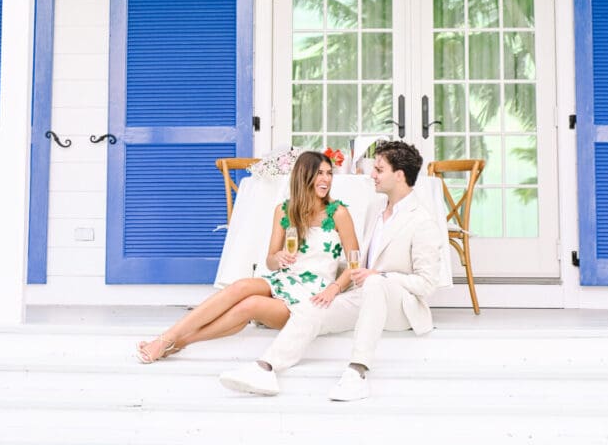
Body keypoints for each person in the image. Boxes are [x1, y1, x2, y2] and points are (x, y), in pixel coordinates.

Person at [219, 140, 443, 401]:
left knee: (373, 284)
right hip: (363, 295)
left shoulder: (422, 221)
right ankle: (265, 368)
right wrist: (334, 283)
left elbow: (427, 284)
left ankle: (357, 372)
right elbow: (357, 259)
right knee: (313, 306)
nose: (371, 174)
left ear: (399, 175)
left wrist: (379, 276)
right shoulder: (376, 209)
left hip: (400, 307)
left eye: (379, 169)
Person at [135, 150, 359, 363]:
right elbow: (270, 261)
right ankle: (166, 338)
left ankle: (179, 342)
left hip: (311, 295)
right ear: (303, 176)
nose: (326, 179)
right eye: (320, 173)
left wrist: (334, 289)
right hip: (284, 281)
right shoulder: (284, 210)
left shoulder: (339, 213)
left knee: (249, 305)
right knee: (240, 286)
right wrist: (279, 257)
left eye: (329, 173)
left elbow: (354, 263)